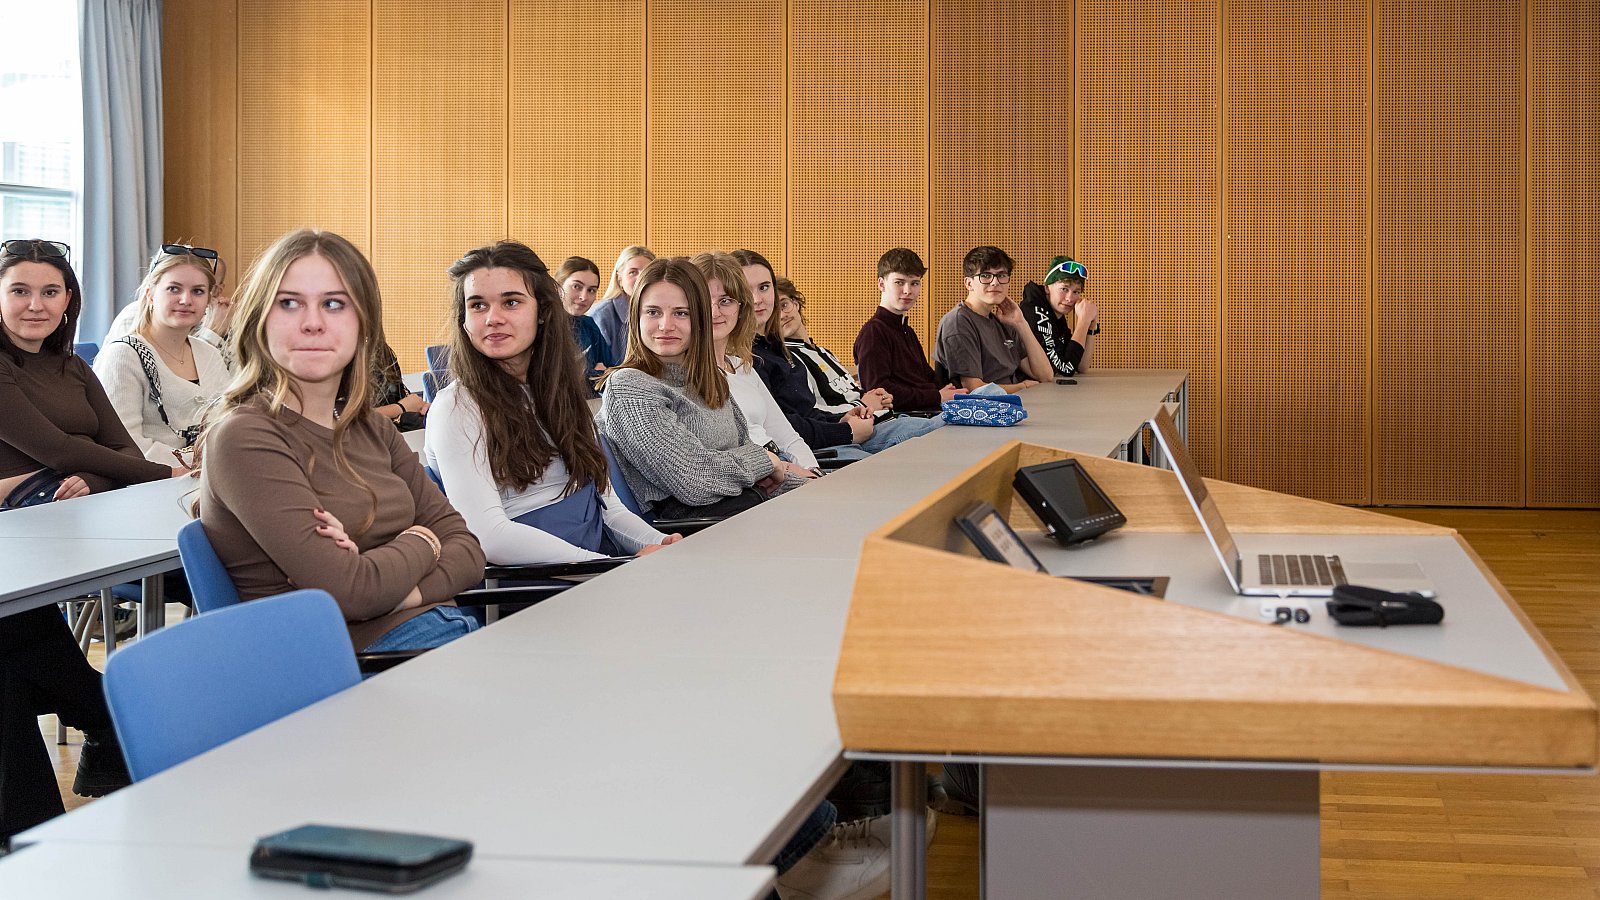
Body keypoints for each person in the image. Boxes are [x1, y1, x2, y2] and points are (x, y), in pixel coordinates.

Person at [197, 229, 486, 653]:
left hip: (439, 632)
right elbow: (353, 593)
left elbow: (469, 553)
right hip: (345, 669)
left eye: (334, 304)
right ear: (260, 320)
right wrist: (423, 539)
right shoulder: (245, 437)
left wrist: (393, 590)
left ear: (362, 324)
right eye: (289, 303)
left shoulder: (374, 429)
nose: (313, 322)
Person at [0, 238, 191, 841]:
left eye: (50, 291)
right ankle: (111, 721)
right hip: (18, 540)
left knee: (15, 666)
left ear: (68, 302)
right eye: (20, 290)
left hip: (72, 529)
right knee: (21, 654)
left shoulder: (73, 366)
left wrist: (91, 474)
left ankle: (35, 832)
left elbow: (115, 452)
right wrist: (163, 474)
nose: (36, 304)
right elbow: (58, 448)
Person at [425, 241, 680, 565]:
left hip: (594, 567)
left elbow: (608, 507)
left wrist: (659, 542)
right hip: (533, 587)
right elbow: (489, 537)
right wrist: (606, 569)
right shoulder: (457, 407)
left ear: (543, 312)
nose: (493, 318)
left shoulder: (561, 392)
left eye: (511, 302)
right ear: (464, 321)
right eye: (477, 306)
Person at [596, 257, 789, 519]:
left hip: (745, 516)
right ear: (636, 317)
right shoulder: (630, 386)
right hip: (695, 537)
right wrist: (766, 459)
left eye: (681, 313)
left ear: (699, 319)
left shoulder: (710, 381)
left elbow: (759, 479)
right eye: (653, 312)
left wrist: (814, 491)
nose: (665, 325)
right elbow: (694, 480)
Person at [93, 246, 231, 464]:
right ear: (150, 294)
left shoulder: (209, 354)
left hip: (211, 478)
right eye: (174, 289)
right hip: (151, 484)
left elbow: (229, 423)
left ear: (209, 300)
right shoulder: (123, 355)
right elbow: (124, 445)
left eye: (197, 291)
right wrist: (193, 462)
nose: (186, 300)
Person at [690, 251, 819, 478]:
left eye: (725, 301)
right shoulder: (688, 374)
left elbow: (788, 437)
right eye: (703, 301)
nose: (714, 312)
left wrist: (812, 471)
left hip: (786, 466)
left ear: (741, 308)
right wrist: (790, 471)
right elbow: (726, 457)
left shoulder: (744, 365)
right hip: (762, 476)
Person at [776, 276, 943, 452]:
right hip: (865, 433)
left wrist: (878, 397)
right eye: (774, 313)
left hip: (888, 419)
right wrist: (863, 405)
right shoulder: (788, 360)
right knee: (951, 426)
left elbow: (849, 394)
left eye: (784, 305)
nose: (781, 316)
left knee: (956, 421)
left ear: (795, 303)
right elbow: (811, 414)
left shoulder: (823, 352)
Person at [731, 249, 869, 457]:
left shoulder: (776, 348)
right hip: (808, 452)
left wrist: (840, 419)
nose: (757, 299)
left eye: (764, 287)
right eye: (746, 290)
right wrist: (844, 431)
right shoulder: (746, 357)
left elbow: (806, 412)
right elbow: (781, 427)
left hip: (824, 440)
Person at [852, 248, 961, 413]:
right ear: (881, 284)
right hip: (909, 417)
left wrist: (950, 391)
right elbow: (880, 394)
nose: (908, 290)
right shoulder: (874, 333)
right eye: (899, 282)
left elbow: (927, 377)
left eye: (914, 283)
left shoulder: (906, 330)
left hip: (931, 410)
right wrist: (938, 396)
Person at [932, 245, 1052, 393]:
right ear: (969, 283)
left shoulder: (1004, 321)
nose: (995, 282)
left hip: (1015, 403)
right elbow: (973, 388)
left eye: (1001, 275)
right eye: (986, 275)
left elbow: (1045, 375)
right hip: (984, 410)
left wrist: (1021, 323)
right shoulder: (958, 322)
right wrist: (1023, 387)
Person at [1020, 255, 1099, 378]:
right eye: (1064, 289)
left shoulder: (1056, 316)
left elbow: (1081, 366)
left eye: (1076, 292)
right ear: (1047, 287)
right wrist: (1083, 321)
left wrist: (1091, 326)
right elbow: (1066, 368)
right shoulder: (1038, 315)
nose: (1069, 298)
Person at [588, 245, 655, 367]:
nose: (640, 278)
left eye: (646, 272)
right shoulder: (601, 315)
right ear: (620, 279)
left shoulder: (661, 312)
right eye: (633, 272)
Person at [555, 256, 609, 386]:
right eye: (576, 286)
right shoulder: (540, 326)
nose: (584, 297)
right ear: (557, 286)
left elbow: (609, 372)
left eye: (591, 290)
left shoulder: (589, 325)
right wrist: (592, 374)